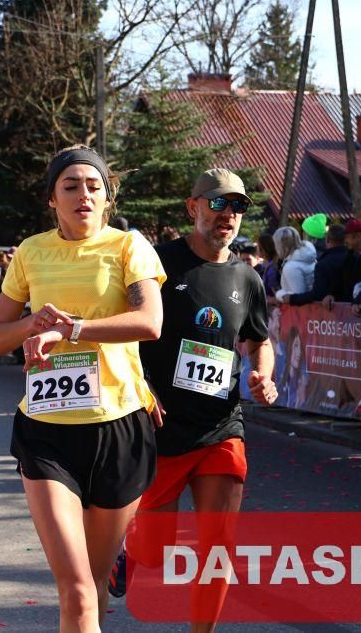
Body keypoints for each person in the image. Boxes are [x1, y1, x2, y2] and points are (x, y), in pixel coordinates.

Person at [0, 144, 165, 630]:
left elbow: (150, 322)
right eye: (70, 186)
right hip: (47, 430)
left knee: (97, 581)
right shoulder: (32, 252)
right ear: (52, 198)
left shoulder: (128, 247)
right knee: (78, 591)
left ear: (107, 198)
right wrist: (32, 324)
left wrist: (73, 329)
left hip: (118, 427)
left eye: (93, 186)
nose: (83, 194)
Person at [115, 169, 277, 629]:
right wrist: (140, 385)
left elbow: (259, 341)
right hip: (161, 429)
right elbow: (124, 331)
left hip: (221, 427)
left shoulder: (247, 277)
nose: (228, 214)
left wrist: (264, 376)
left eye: (237, 206)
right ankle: (127, 551)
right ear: (193, 207)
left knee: (218, 547)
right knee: (155, 550)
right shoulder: (157, 263)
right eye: (218, 203)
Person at [285, 223, 350, 306]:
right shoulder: (354, 257)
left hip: (331, 310)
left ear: (327, 240)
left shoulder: (324, 264)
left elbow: (318, 294)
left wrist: (292, 299)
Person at [272, 226, 315, 302]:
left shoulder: (291, 267)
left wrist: (279, 294)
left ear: (280, 246)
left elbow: (298, 297)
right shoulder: (307, 256)